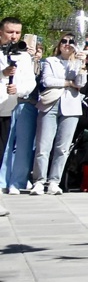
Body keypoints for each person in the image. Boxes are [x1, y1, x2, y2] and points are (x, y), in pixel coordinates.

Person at [32, 39, 86, 194]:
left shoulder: (78, 63)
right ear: (59, 44)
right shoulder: (51, 61)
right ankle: (39, 181)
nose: (67, 44)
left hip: (71, 106)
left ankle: (54, 181)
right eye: (64, 41)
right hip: (50, 104)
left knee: (62, 148)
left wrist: (82, 65)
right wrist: (69, 82)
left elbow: (81, 84)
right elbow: (47, 80)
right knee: (43, 146)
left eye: (71, 42)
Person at [1, 16, 39, 194]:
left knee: (16, 147)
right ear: (1, 32)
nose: (14, 36)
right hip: (2, 105)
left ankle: (13, 182)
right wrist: (3, 73)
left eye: (17, 32)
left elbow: (30, 82)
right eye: (10, 32)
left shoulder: (23, 56)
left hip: (15, 106)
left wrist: (18, 90)